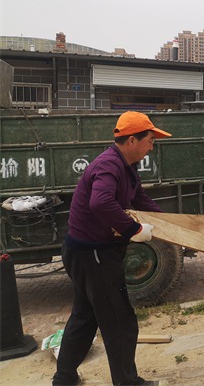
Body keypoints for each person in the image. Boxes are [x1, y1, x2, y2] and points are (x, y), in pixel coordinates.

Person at [53, 111, 171, 386]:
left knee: (84, 317)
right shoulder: (108, 165)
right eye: (150, 140)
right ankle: (127, 383)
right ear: (132, 140)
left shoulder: (126, 167)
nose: (152, 146)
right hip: (93, 254)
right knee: (120, 322)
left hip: (85, 252)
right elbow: (101, 203)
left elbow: (139, 199)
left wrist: (170, 224)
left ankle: (64, 379)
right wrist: (134, 230)